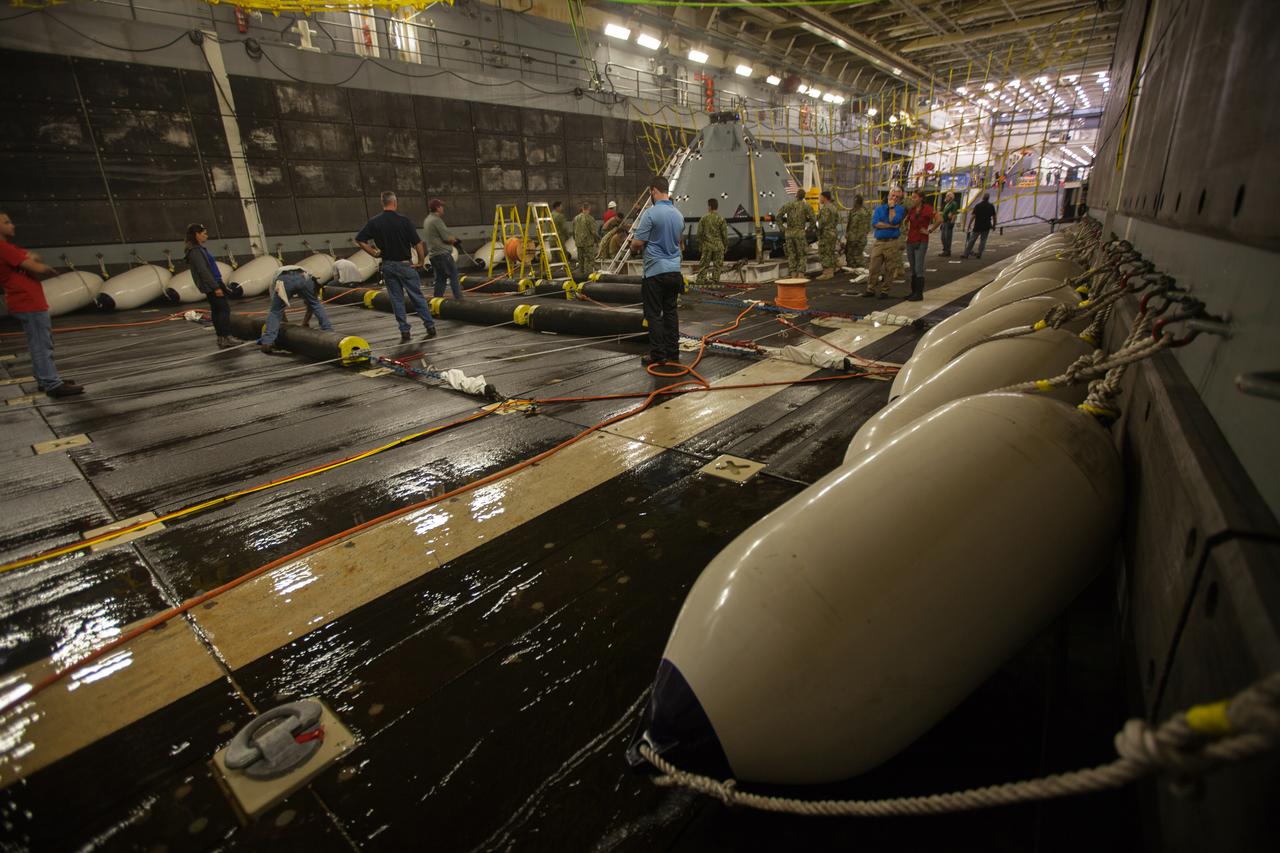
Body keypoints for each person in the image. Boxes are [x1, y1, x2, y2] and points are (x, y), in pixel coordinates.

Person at [0, 211, 82, 398]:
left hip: (25, 301)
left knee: (39, 342)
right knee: (41, 344)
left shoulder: (8, 248)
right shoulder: (3, 248)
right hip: (28, 302)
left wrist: (31, 258)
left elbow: (32, 256)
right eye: (7, 222)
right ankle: (51, 383)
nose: (12, 225)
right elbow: (37, 265)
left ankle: (45, 378)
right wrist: (46, 268)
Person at [356, 191, 435, 344]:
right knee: (416, 296)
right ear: (395, 202)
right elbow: (418, 243)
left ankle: (404, 330)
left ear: (382, 202)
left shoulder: (374, 222)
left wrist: (373, 253)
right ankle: (429, 326)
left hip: (388, 265)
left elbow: (360, 239)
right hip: (405, 264)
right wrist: (420, 261)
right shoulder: (404, 221)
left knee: (397, 300)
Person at [631, 176, 684, 368]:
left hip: (655, 273)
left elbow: (637, 243)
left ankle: (658, 355)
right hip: (674, 272)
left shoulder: (650, 214)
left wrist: (633, 249)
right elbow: (679, 243)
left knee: (653, 314)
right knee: (670, 312)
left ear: (653, 191)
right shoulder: (678, 215)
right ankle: (673, 352)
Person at [259, 266, 333, 354]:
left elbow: (277, 310)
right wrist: (305, 323)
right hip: (304, 276)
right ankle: (329, 332)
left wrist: (285, 323)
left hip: (284, 279)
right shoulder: (303, 270)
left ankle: (267, 342)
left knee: (275, 311)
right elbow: (311, 306)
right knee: (315, 304)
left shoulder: (273, 282)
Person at [184, 223, 233, 349]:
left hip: (214, 282)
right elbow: (203, 270)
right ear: (197, 235)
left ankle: (222, 338)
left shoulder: (198, 249)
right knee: (223, 310)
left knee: (217, 310)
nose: (206, 236)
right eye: (204, 233)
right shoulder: (195, 251)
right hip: (212, 284)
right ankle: (224, 337)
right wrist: (216, 287)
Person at [864, 188, 905, 298]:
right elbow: (875, 223)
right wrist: (891, 226)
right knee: (873, 267)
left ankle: (885, 290)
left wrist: (892, 208)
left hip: (892, 242)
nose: (894, 198)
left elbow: (894, 220)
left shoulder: (900, 209)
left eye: (897, 197)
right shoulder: (879, 209)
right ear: (888, 196)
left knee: (889, 268)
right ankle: (870, 288)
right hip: (879, 242)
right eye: (892, 196)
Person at [422, 198, 463, 300]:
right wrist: (455, 240)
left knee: (440, 279)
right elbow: (446, 237)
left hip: (434, 256)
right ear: (437, 208)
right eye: (441, 206)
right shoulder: (436, 220)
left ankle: (436, 301)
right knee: (453, 276)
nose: (443, 208)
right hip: (443, 254)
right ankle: (459, 300)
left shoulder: (427, 220)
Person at [903, 190, 939, 302]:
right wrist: (905, 228)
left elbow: (939, 219)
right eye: (912, 197)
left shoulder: (927, 208)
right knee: (913, 268)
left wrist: (930, 230)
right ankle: (913, 292)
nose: (912, 199)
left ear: (921, 198)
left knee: (918, 268)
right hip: (910, 240)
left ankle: (919, 294)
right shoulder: (912, 210)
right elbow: (906, 220)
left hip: (921, 241)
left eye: (914, 197)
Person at [776, 189, 815, 277]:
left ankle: (793, 274)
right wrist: (809, 229)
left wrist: (782, 228)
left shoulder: (788, 204)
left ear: (796, 195)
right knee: (802, 253)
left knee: (791, 254)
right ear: (804, 197)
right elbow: (813, 219)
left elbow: (778, 216)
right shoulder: (806, 206)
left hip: (789, 233)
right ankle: (801, 274)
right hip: (800, 233)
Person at [695, 198, 728, 287]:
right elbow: (724, 234)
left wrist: (701, 244)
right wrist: (725, 245)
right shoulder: (721, 219)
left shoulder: (704, 218)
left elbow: (699, 234)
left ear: (709, 206)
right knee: (717, 265)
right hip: (718, 246)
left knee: (704, 264)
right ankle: (715, 280)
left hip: (707, 246)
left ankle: (701, 280)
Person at [961, 192, 997, 259]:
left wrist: (969, 224)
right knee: (983, 240)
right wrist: (994, 225)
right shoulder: (991, 206)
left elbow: (973, 216)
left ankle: (966, 254)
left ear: (983, 198)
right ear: (988, 199)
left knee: (972, 240)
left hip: (977, 226)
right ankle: (979, 254)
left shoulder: (978, 206)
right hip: (986, 226)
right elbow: (994, 217)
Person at [572, 200, 599, 281]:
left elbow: (573, 232)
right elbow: (593, 232)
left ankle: (580, 280)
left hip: (579, 243)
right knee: (589, 261)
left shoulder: (576, 218)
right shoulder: (590, 218)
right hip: (588, 244)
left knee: (581, 262)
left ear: (582, 208)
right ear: (589, 209)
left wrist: (576, 240)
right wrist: (598, 240)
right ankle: (588, 280)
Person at [816, 191, 839, 280]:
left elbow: (822, 222)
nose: (819, 199)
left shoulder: (826, 208)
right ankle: (831, 271)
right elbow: (837, 220)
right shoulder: (833, 207)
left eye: (820, 197)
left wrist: (816, 224)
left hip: (826, 233)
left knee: (824, 252)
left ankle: (827, 273)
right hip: (832, 232)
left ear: (824, 198)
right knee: (830, 252)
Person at [844, 195, 870, 269]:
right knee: (849, 255)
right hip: (851, 237)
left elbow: (864, 228)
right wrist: (847, 233)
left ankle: (861, 269)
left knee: (857, 256)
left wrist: (857, 239)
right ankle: (852, 268)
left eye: (856, 201)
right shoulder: (853, 211)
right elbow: (849, 224)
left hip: (858, 239)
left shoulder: (863, 213)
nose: (854, 203)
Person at [937, 191, 960, 257]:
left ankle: (947, 251)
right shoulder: (947, 204)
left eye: (947, 196)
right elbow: (945, 214)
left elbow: (954, 214)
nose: (946, 197)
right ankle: (945, 250)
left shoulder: (953, 203)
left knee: (947, 237)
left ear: (951, 197)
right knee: (943, 237)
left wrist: (952, 223)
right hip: (944, 222)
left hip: (948, 222)